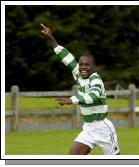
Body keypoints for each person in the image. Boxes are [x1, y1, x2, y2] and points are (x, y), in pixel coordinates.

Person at [40, 24, 120, 155]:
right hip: (88, 128)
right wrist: (51, 38)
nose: (83, 67)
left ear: (93, 67)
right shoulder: (77, 72)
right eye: (81, 64)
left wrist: (71, 100)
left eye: (87, 65)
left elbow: (92, 97)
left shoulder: (96, 79)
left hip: (103, 128)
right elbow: (65, 56)